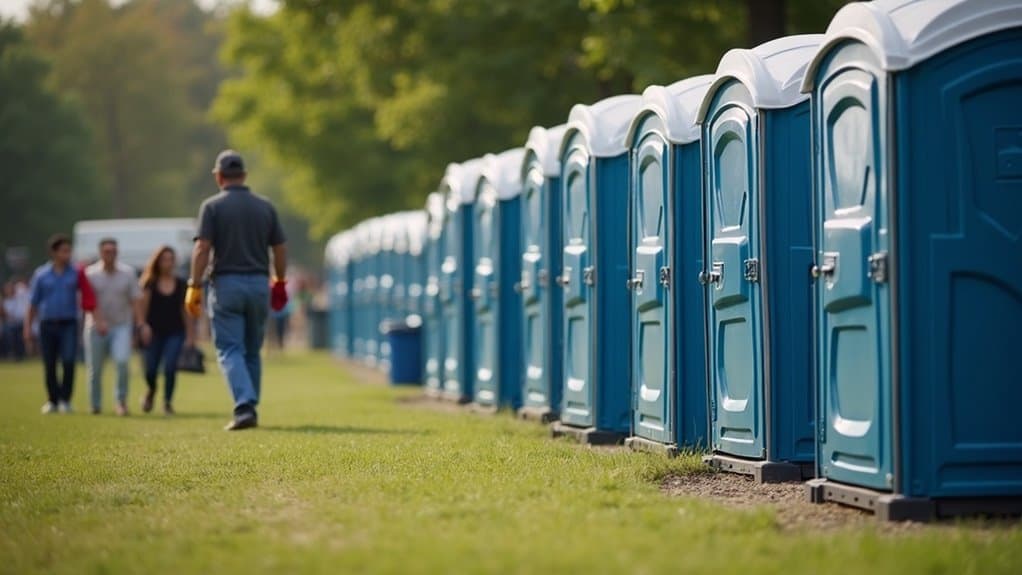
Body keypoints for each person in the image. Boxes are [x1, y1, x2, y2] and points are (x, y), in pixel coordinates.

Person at [187, 149, 288, 431]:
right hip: (258, 284)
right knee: (252, 350)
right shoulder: (265, 207)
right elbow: (280, 248)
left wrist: (194, 285)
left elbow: (202, 248)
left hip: (227, 284)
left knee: (230, 348)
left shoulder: (212, 207)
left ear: (219, 177)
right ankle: (250, 406)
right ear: (244, 175)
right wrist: (280, 281)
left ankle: (244, 405)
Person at [24, 234, 97, 414]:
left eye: (69, 251)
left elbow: (87, 295)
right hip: (47, 324)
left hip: (69, 324)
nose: (67, 254)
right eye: (64, 251)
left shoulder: (76, 273)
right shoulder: (41, 275)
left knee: (69, 361)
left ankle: (65, 399)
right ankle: (52, 400)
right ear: (54, 252)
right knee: (49, 363)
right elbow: (32, 303)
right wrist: (27, 328)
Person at [84, 238, 143, 416]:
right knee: (95, 368)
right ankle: (95, 404)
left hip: (121, 326)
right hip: (95, 327)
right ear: (100, 253)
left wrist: (140, 323)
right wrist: (99, 321)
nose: (110, 255)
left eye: (113, 251)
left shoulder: (128, 273)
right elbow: (87, 301)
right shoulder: (90, 274)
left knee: (122, 362)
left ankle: (121, 402)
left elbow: (135, 299)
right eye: (107, 251)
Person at [138, 246, 193, 415]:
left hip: (175, 332)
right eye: (164, 259)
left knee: (170, 367)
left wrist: (190, 334)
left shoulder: (181, 284)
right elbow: (142, 308)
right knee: (150, 370)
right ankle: (151, 390)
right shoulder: (150, 283)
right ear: (157, 262)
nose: (168, 263)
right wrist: (143, 326)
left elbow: (185, 311)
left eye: (171, 259)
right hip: (153, 332)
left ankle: (167, 403)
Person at [2, 280, 30, 360]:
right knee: (11, 336)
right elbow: (6, 315)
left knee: (19, 337)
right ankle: (13, 354)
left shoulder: (20, 297)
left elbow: (22, 289)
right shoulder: (5, 302)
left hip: (21, 322)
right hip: (11, 324)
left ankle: (21, 354)